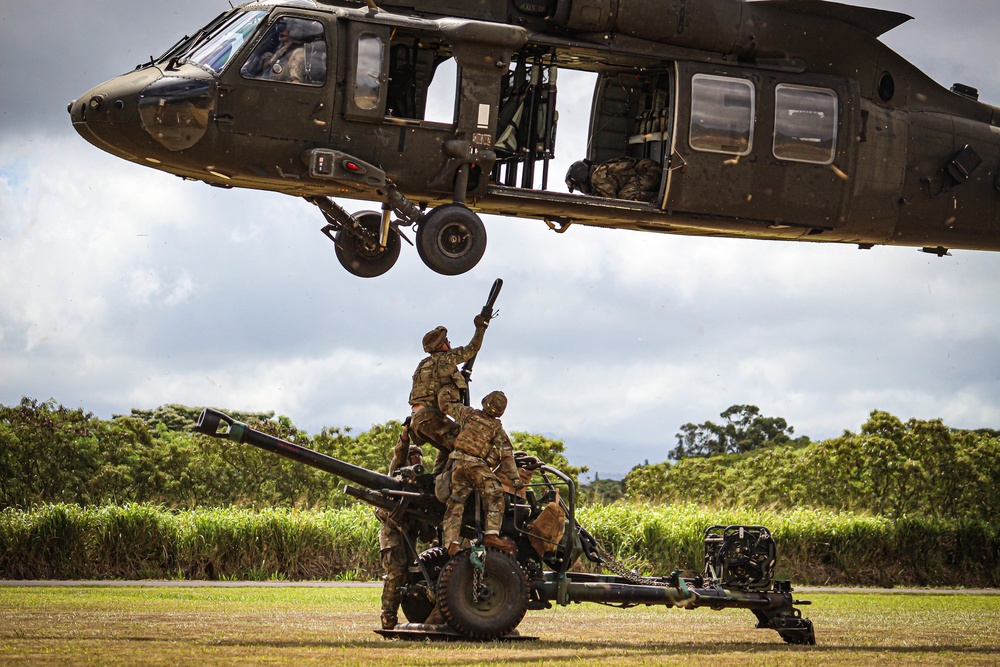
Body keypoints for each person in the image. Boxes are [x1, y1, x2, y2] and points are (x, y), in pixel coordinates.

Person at [438, 389, 522, 557]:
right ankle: (491, 534)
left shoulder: (468, 414)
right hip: (475, 464)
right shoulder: (496, 428)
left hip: (457, 463)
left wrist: (445, 391)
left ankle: (451, 543)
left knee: (456, 502)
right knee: (496, 493)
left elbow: (446, 406)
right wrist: (515, 479)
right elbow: (506, 455)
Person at [408, 315, 490, 480]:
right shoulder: (444, 359)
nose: (450, 343)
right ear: (442, 345)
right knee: (467, 444)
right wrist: (481, 328)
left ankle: (436, 481)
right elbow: (472, 349)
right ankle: (450, 486)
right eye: (447, 341)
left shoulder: (423, 364)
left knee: (448, 448)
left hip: (416, 421)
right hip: (431, 417)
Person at [376, 423, 425, 630]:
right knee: (395, 575)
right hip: (393, 535)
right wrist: (405, 438)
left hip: (410, 536)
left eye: (419, 457)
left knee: (411, 576)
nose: (417, 459)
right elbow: (399, 454)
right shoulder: (397, 476)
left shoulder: (420, 483)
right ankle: (388, 617)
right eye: (413, 456)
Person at [565, 156, 662, 202]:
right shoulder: (599, 171)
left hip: (649, 172)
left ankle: (659, 199)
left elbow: (614, 202)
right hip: (649, 170)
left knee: (625, 197)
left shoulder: (596, 177)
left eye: (578, 187)